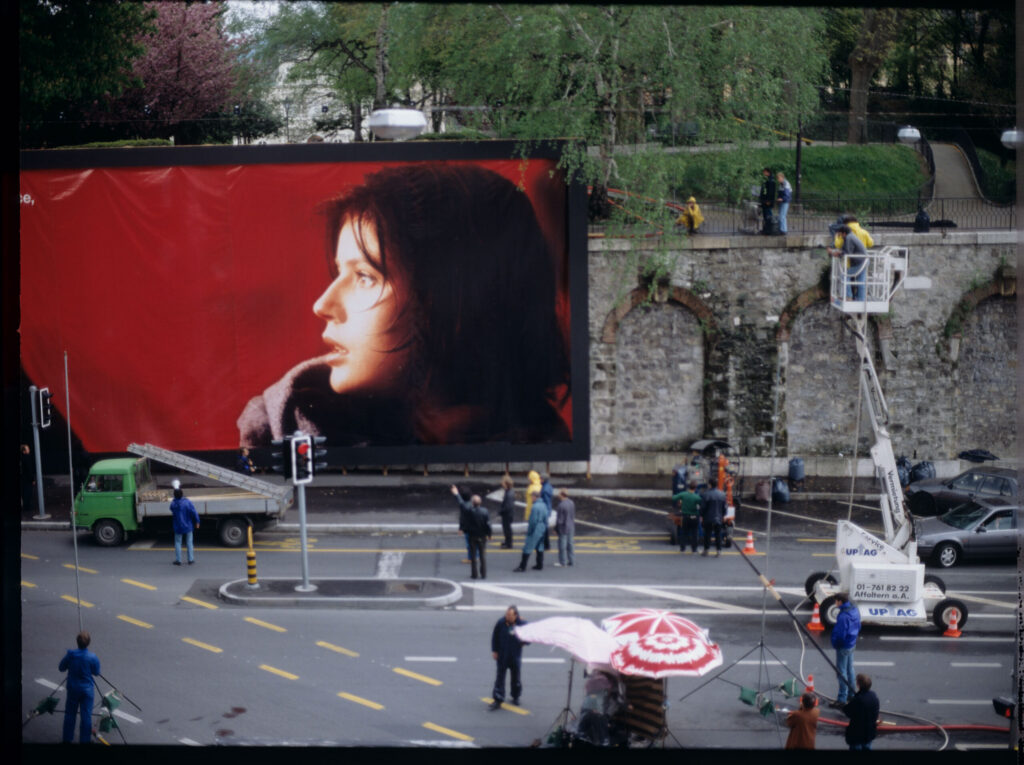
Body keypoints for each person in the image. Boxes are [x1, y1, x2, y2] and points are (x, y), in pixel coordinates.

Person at [237, 165, 571, 450]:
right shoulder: (276, 428)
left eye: (365, 276)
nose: (322, 305)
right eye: (339, 272)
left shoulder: (543, 451)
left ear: (450, 300)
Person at [59, 631, 101, 744]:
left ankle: (67, 739)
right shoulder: (92, 657)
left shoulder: (71, 655)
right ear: (88, 643)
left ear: (77, 642)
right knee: (86, 716)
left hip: (73, 688)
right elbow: (96, 672)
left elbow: (61, 668)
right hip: (87, 690)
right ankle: (85, 740)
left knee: (70, 714)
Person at [490, 605, 527, 709]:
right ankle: (498, 698)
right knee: (500, 678)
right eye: (507, 614)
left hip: (515, 655)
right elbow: (495, 636)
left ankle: (516, 696)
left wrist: (524, 642)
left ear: (516, 615)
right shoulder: (501, 623)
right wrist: (495, 650)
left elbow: (530, 634)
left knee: (516, 678)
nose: (507, 616)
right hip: (503, 655)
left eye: (510, 615)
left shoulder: (521, 624)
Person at [451, 484, 491, 579]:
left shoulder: (469, 510)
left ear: (472, 503)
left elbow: (462, 505)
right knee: (482, 556)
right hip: (482, 536)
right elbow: (488, 525)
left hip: (472, 535)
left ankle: (474, 574)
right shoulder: (485, 511)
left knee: (473, 556)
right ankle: (483, 574)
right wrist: (489, 534)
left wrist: (456, 494)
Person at [829, 592, 861, 707]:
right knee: (850, 670)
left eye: (836, 601)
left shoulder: (843, 616)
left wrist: (835, 644)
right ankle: (851, 694)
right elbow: (858, 625)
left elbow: (840, 635)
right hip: (852, 643)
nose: (835, 603)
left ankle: (842, 699)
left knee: (841, 673)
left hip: (843, 646)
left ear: (840, 602)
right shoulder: (854, 610)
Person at [829, 225, 869, 301]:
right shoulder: (851, 236)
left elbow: (847, 252)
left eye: (840, 234)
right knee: (861, 281)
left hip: (860, 261)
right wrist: (837, 252)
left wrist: (838, 253)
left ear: (844, 233)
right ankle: (861, 299)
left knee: (844, 275)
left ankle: (849, 296)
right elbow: (844, 249)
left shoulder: (848, 238)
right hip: (864, 260)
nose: (840, 236)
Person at [515, 483, 550, 571]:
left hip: (536, 528)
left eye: (531, 497)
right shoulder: (544, 505)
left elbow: (533, 521)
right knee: (540, 546)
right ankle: (539, 564)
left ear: (534, 497)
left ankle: (522, 567)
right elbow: (546, 517)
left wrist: (530, 531)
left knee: (527, 547)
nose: (531, 498)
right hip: (542, 527)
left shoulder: (535, 507)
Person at [842, 674, 880, 751]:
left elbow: (847, 711)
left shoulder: (858, 700)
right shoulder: (873, 696)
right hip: (869, 732)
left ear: (858, 685)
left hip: (857, 734)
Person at [170, 480, 200, 566]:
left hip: (178, 526)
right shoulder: (187, 502)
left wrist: (175, 498)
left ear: (174, 495)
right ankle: (190, 559)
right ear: (182, 494)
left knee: (178, 542)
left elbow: (171, 508)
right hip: (188, 526)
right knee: (189, 542)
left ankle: (178, 560)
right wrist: (197, 521)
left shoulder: (173, 504)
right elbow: (194, 512)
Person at [672, 481, 703, 554]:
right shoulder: (697, 497)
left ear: (689, 487)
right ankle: (694, 549)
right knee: (694, 533)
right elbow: (701, 505)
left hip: (685, 516)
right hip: (694, 516)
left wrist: (680, 500)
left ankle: (682, 549)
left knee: (684, 533)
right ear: (695, 488)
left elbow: (674, 498)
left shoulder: (683, 494)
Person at [700, 483, 727, 556]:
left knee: (707, 534)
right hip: (718, 517)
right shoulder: (722, 494)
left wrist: (701, 515)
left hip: (708, 518)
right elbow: (724, 507)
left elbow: (703, 507)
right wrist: (723, 515)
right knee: (718, 534)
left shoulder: (705, 494)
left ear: (710, 485)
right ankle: (718, 550)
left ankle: (706, 550)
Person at [553, 489, 575, 567]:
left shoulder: (561, 505)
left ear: (562, 495)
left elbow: (560, 520)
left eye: (559, 494)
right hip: (570, 525)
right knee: (570, 544)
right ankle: (571, 560)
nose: (558, 495)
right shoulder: (571, 502)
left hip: (563, 527)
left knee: (562, 545)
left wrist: (556, 529)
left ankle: (563, 562)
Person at [499, 476, 515, 548]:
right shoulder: (509, 491)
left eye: (503, 482)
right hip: (508, 514)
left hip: (507, 514)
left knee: (507, 529)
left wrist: (501, 511)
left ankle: (508, 544)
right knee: (506, 529)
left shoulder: (509, 493)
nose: (501, 483)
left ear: (506, 483)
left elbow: (508, 506)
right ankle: (507, 542)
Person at [759, 167, 777, 234]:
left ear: (768, 172)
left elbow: (771, 192)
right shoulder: (766, 180)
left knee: (768, 215)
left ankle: (770, 228)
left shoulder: (771, 181)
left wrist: (769, 200)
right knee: (765, 215)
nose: (763, 173)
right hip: (764, 200)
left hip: (767, 201)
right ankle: (766, 228)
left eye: (765, 172)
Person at [21, 443, 35, 514]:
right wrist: (32, 479)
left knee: (24, 492)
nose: (29, 450)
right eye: (27, 449)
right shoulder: (27, 458)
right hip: (27, 479)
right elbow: (29, 470)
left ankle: (26, 506)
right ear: (24, 451)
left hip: (23, 478)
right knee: (28, 492)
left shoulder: (22, 458)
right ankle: (27, 507)